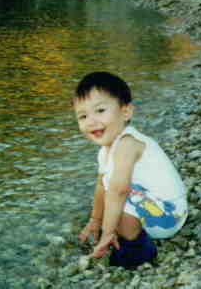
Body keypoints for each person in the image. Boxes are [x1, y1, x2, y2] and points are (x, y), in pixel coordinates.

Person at [73, 71, 188, 269]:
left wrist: (108, 231)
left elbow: (119, 191)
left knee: (116, 196)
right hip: (154, 208)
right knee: (108, 189)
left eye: (100, 111)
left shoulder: (128, 143)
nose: (91, 121)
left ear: (126, 112)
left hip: (171, 215)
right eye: (83, 116)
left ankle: (138, 249)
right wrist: (95, 220)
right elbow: (101, 186)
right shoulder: (105, 151)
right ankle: (122, 231)